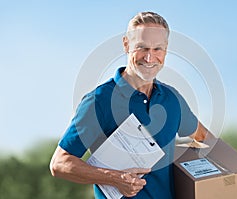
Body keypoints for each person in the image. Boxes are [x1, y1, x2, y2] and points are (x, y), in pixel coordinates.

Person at [50, 11, 212, 199]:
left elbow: (205, 139)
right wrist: (115, 178)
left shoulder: (172, 99)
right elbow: (60, 163)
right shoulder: (99, 101)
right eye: (142, 47)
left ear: (166, 49)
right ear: (126, 44)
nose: (150, 58)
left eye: (157, 49)